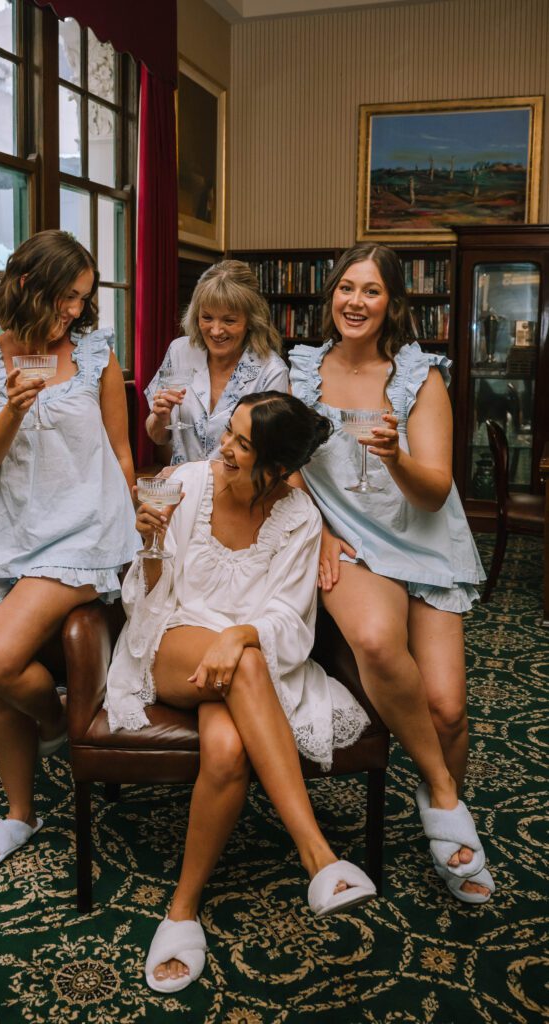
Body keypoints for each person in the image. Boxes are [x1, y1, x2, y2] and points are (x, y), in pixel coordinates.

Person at [105, 392, 375, 994]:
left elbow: (291, 618)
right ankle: (318, 857)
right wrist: (149, 542)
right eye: (228, 433)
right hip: (169, 643)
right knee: (246, 662)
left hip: (247, 665)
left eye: (242, 445)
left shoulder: (299, 518)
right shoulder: (184, 485)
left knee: (227, 747)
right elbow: (145, 602)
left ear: (277, 470)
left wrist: (240, 635)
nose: (223, 449)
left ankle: (181, 908)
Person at [289, 242, 495, 905]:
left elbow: (433, 491)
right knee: (377, 642)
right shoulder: (297, 374)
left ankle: (441, 797)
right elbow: (281, 467)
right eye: (345, 288)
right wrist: (317, 527)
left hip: (423, 540)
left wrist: (392, 456)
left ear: (392, 304)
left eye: (370, 291)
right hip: (350, 542)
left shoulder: (417, 379)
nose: (354, 301)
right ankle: (444, 802)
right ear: (330, 298)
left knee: (448, 708)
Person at [0, 229, 138, 869]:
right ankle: (21, 810)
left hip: (82, 531)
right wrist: (11, 413)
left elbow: (121, 450)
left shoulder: (96, 353)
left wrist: (134, 529)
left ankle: (54, 723)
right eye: (66, 297)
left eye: (83, 298)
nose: (75, 311)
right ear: (26, 286)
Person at [145, 260, 289, 466]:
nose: (215, 331)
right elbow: (158, 437)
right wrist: (160, 418)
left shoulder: (272, 372)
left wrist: (198, 477)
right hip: (183, 493)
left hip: (237, 495)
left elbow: (267, 459)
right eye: (207, 317)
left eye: (229, 320)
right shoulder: (179, 352)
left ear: (251, 320)